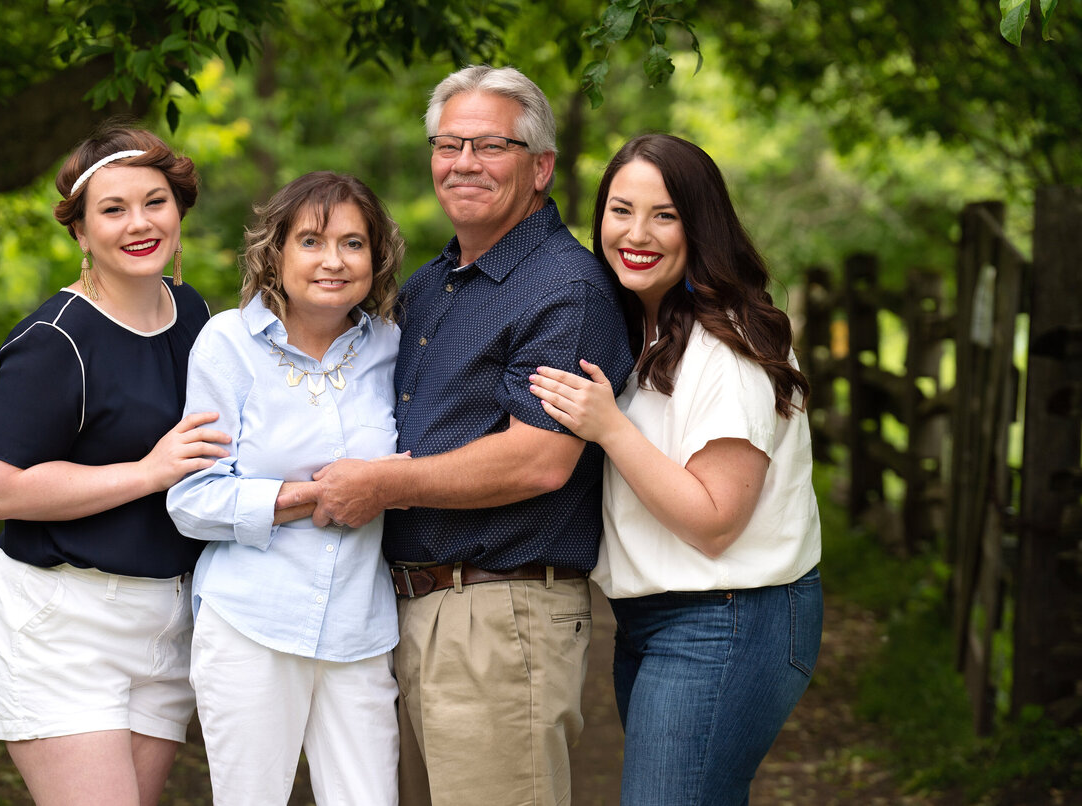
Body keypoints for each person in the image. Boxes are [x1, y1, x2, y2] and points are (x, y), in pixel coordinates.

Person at [282, 65, 635, 805]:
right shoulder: (427, 285)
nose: (464, 163)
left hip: (497, 615)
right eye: (449, 145)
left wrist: (378, 484)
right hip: (403, 611)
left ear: (540, 167)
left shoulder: (564, 287)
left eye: (490, 146)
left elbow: (538, 459)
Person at [528, 133, 824, 805]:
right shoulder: (646, 331)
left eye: (664, 215)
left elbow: (714, 521)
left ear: (701, 224)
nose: (637, 233)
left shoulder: (729, 347)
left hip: (727, 619)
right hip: (660, 622)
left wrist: (609, 427)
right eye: (620, 210)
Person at [0, 123, 232, 804]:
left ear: (179, 212)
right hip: (65, 621)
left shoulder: (195, 316)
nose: (139, 223)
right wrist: (149, 471)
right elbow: (3, 489)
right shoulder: (54, 341)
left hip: (167, 620)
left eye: (155, 202)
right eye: (113, 210)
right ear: (82, 234)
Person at [165, 171, 406, 805]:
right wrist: (308, 498)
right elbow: (191, 499)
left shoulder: (392, 347)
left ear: (377, 258)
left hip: (360, 627)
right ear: (275, 252)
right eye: (312, 241)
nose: (334, 261)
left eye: (354, 244)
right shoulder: (226, 345)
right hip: (252, 622)